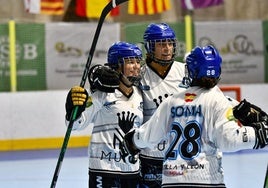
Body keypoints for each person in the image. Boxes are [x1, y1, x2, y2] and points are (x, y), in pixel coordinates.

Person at [121, 45, 268, 187]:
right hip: (205, 180)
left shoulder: (171, 101)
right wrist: (258, 134)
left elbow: (149, 136)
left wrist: (132, 140)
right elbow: (228, 139)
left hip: (171, 181)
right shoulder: (218, 100)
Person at [65, 41, 144, 188]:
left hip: (131, 170)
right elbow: (76, 125)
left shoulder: (140, 95)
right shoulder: (102, 95)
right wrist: (73, 111)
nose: (136, 67)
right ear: (116, 66)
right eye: (130, 62)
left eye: (138, 62)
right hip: (104, 169)